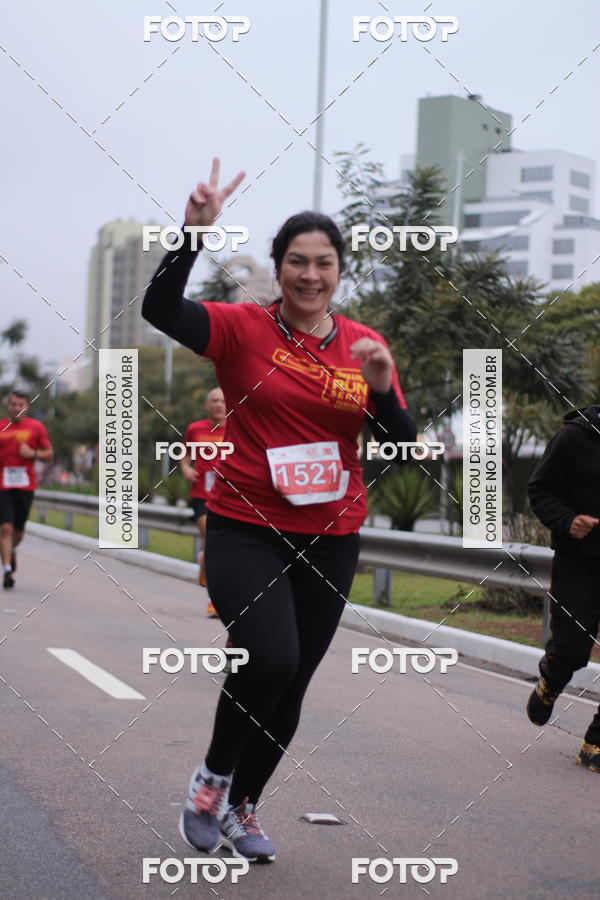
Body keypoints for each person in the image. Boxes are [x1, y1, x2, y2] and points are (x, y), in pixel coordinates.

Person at [142, 158, 417, 861]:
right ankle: (209, 780)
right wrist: (191, 236)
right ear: (279, 266)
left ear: (339, 271)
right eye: (297, 261)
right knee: (268, 657)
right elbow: (161, 310)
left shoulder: (363, 349)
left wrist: (382, 391)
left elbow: (400, 444)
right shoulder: (239, 329)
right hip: (245, 528)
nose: (309, 275)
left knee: (291, 685)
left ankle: (241, 807)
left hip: (332, 537)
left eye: (323, 264)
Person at [527, 404, 600, 773]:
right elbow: (539, 489)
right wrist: (567, 520)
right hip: (580, 562)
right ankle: (551, 682)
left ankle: (595, 742)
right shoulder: (575, 437)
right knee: (571, 650)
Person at [181, 387, 227, 617]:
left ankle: (203, 560)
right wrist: (186, 468)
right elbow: (185, 455)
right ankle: (214, 600)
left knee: (220, 547)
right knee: (211, 539)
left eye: (222, 401)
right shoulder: (195, 429)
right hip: (202, 494)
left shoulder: (236, 428)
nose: (219, 405)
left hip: (229, 496)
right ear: (207, 406)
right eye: (214, 401)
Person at [0, 390, 53, 589]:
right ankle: (7, 571)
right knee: (5, 528)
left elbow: (49, 454)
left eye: (20, 404)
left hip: (25, 485)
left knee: (18, 532)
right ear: (8, 406)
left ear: (27, 406)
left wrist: (33, 453)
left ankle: (11, 552)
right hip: (2, 484)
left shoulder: (36, 427)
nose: (17, 408)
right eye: (13, 404)